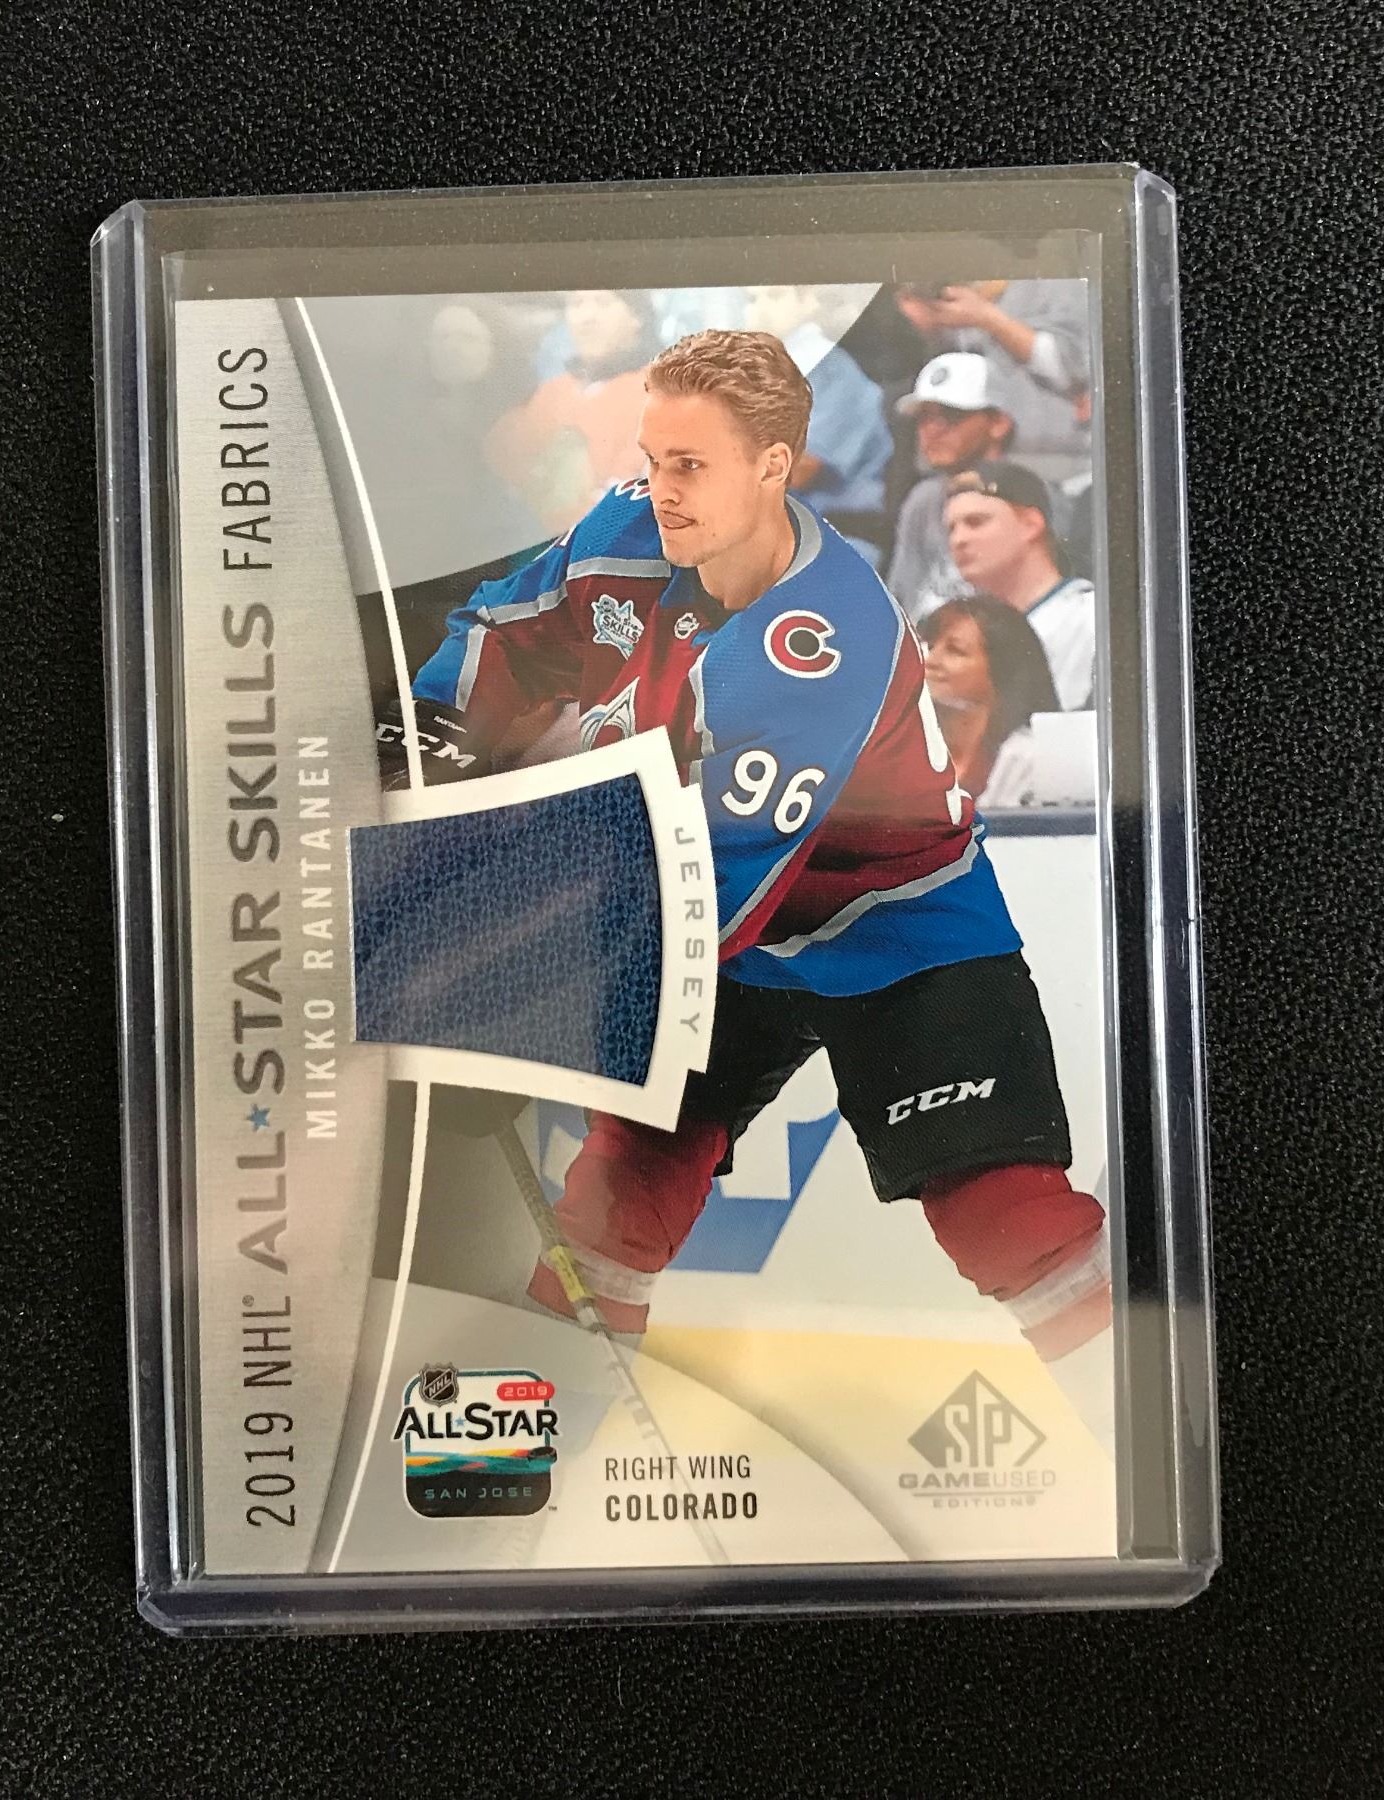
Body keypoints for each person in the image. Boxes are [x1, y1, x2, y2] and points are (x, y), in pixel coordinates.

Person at [391, 329, 1112, 1435]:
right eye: (653, 458)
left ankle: (1146, 1435)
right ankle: (525, 1472)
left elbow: (704, 886)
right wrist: (429, 732)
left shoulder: (820, 638)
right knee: (613, 1207)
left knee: (1003, 1214)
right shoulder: (628, 527)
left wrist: (514, 1000)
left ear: (774, 466)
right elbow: (509, 631)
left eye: (691, 464)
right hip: (713, 924)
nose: (661, 490)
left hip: (896, 932)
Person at [486, 289, 659, 534]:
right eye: (577, 304)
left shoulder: (657, 393)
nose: (587, 317)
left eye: (603, 303)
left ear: (636, 317)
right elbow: (504, 466)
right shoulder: (552, 392)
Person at [742, 284, 891, 563]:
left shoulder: (835, 373)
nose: (759, 309)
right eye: (752, 299)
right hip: (772, 539)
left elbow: (799, 471)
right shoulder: (753, 374)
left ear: (807, 301)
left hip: (838, 543)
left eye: (774, 296)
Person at [894, 279, 1092, 488]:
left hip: (1052, 471)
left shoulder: (1057, 282)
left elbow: (1075, 371)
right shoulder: (942, 285)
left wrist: (987, 317)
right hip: (960, 474)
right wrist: (922, 324)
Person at [939, 465, 1096, 711]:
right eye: (951, 529)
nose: (958, 540)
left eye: (975, 522)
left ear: (1031, 524)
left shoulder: (1091, 619)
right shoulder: (959, 632)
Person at [883, 352, 1016, 619]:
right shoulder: (922, 499)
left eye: (952, 415)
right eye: (924, 417)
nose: (932, 430)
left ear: (998, 424)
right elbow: (900, 603)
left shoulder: (1024, 497)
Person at [920, 593, 1061, 806]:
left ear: (1002, 669)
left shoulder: (1032, 760)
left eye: (955, 650)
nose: (930, 661)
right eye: (930, 647)